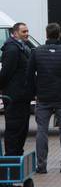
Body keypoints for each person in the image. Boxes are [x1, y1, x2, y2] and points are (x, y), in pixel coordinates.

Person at [26, 23, 61, 174]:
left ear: (46, 34)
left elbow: (29, 75)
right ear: (59, 34)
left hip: (43, 97)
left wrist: (35, 91)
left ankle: (41, 166)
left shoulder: (36, 52)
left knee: (41, 130)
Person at [0, 22, 32, 157]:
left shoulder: (22, 48)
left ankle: (17, 157)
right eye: (23, 32)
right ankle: (11, 160)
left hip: (22, 96)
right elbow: (6, 72)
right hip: (14, 97)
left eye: (27, 31)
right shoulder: (12, 49)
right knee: (14, 129)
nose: (26, 34)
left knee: (22, 129)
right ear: (15, 33)